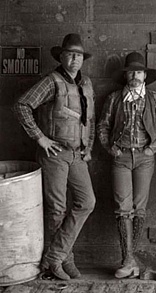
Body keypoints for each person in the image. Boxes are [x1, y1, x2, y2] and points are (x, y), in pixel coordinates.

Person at [13, 33, 96, 281]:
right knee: (57, 209)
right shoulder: (52, 81)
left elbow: (89, 119)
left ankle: (55, 257)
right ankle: (62, 259)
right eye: (70, 54)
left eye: (78, 55)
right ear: (61, 56)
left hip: (77, 155)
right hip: (55, 154)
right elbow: (22, 105)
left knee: (87, 202)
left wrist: (88, 146)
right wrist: (40, 138)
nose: (74, 59)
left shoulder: (87, 84)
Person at [97, 52, 156, 279]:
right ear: (126, 75)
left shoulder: (155, 99)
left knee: (139, 207)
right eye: (131, 72)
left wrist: (152, 149)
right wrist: (110, 148)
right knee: (123, 208)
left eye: (139, 72)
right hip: (120, 158)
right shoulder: (114, 99)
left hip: (144, 158)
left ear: (145, 76)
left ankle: (131, 260)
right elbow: (102, 126)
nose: (135, 76)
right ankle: (128, 259)